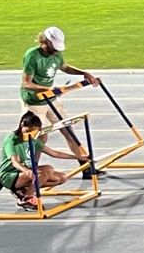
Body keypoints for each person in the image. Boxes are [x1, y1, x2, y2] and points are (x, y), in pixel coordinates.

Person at [20, 26, 99, 163]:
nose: (56, 50)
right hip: (34, 102)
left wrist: (83, 73)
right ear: (45, 41)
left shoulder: (56, 54)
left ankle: (85, 165)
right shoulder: (32, 56)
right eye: (54, 46)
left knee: (68, 130)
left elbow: (65, 67)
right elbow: (27, 84)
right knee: (40, 137)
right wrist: (48, 89)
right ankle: (31, 171)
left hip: (51, 98)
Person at [0, 111, 78, 209]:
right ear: (22, 125)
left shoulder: (33, 139)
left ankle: (23, 190)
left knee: (61, 177)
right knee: (43, 173)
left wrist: (79, 157)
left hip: (24, 174)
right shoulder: (12, 140)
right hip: (9, 175)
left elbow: (54, 153)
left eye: (34, 132)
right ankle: (27, 198)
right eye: (28, 131)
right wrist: (26, 171)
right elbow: (15, 162)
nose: (30, 134)